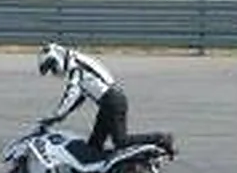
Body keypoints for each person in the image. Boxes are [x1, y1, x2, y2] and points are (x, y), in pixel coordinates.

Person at [37, 41, 172, 158]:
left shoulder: (76, 68)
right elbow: (79, 98)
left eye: (52, 67)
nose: (54, 72)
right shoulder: (77, 61)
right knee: (94, 147)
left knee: (120, 141)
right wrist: (62, 115)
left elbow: (71, 95)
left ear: (57, 58)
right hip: (108, 104)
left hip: (112, 102)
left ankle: (160, 138)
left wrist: (55, 116)